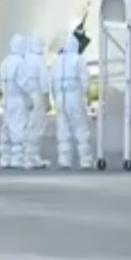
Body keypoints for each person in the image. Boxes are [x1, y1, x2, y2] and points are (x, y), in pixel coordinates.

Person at [51, 33, 92, 169]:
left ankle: (64, 160)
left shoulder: (57, 60)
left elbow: (51, 80)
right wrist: (85, 94)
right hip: (73, 96)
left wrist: (54, 97)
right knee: (80, 128)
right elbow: (85, 79)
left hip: (60, 98)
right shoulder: (78, 59)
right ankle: (85, 161)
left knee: (63, 129)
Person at [0, 34, 31, 168]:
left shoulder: (4, 62)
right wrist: (30, 97)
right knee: (18, 127)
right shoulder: (20, 62)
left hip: (6, 98)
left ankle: (5, 158)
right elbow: (23, 83)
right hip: (17, 98)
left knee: (6, 127)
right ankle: (17, 158)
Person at [23, 34, 51, 169]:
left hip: (24, 95)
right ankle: (32, 157)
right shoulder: (39, 61)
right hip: (36, 94)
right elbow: (45, 82)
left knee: (26, 125)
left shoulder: (24, 58)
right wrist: (47, 101)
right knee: (36, 125)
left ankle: (22, 156)